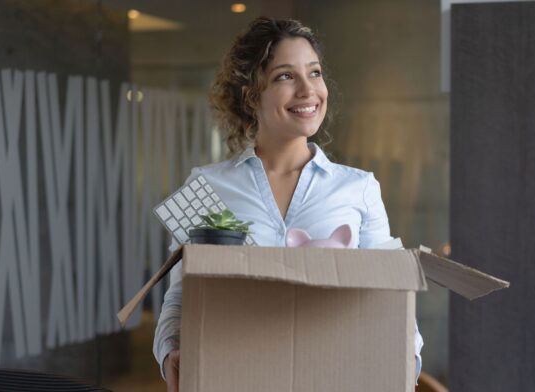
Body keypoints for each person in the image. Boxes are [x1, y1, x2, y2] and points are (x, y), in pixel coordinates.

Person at [153, 17, 423, 391]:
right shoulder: (206, 187)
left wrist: (406, 360)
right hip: (237, 378)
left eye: (314, 73)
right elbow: (182, 298)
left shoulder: (358, 189)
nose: (307, 90)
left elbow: (391, 296)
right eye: (285, 76)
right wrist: (171, 353)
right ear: (251, 94)